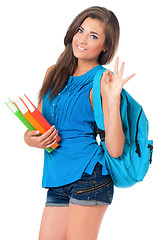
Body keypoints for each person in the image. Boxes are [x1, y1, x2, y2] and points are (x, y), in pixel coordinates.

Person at [24, 6, 135, 240]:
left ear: (105, 46)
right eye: (81, 30)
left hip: (89, 175)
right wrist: (30, 139)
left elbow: (115, 150)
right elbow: (41, 126)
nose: (82, 40)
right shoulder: (53, 73)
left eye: (93, 36)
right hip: (57, 178)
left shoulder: (102, 81)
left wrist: (113, 98)